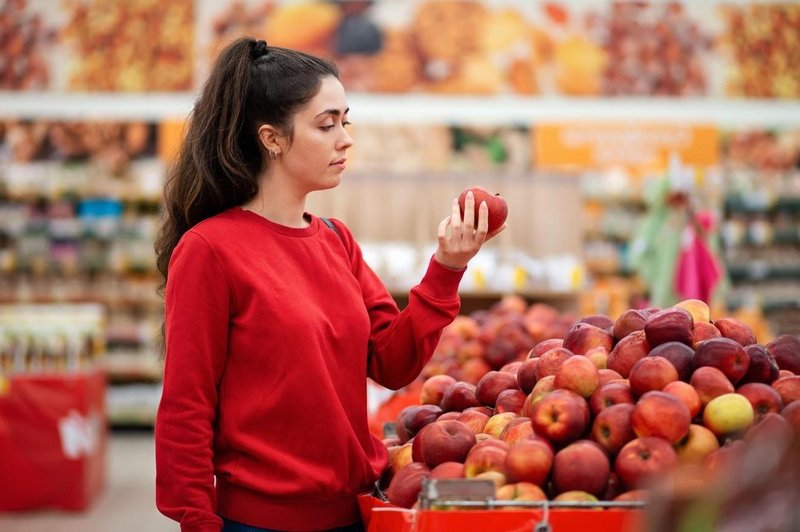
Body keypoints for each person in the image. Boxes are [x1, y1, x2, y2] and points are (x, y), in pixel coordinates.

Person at [153, 37, 505, 532]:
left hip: (353, 514)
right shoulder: (209, 250)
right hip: (257, 523)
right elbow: (186, 405)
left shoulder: (336, 241)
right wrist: (196, 521)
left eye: (346, 121)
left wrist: (447, 266)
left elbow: (393, 361)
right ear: (271, 138)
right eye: (326, 124)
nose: (345, 138)